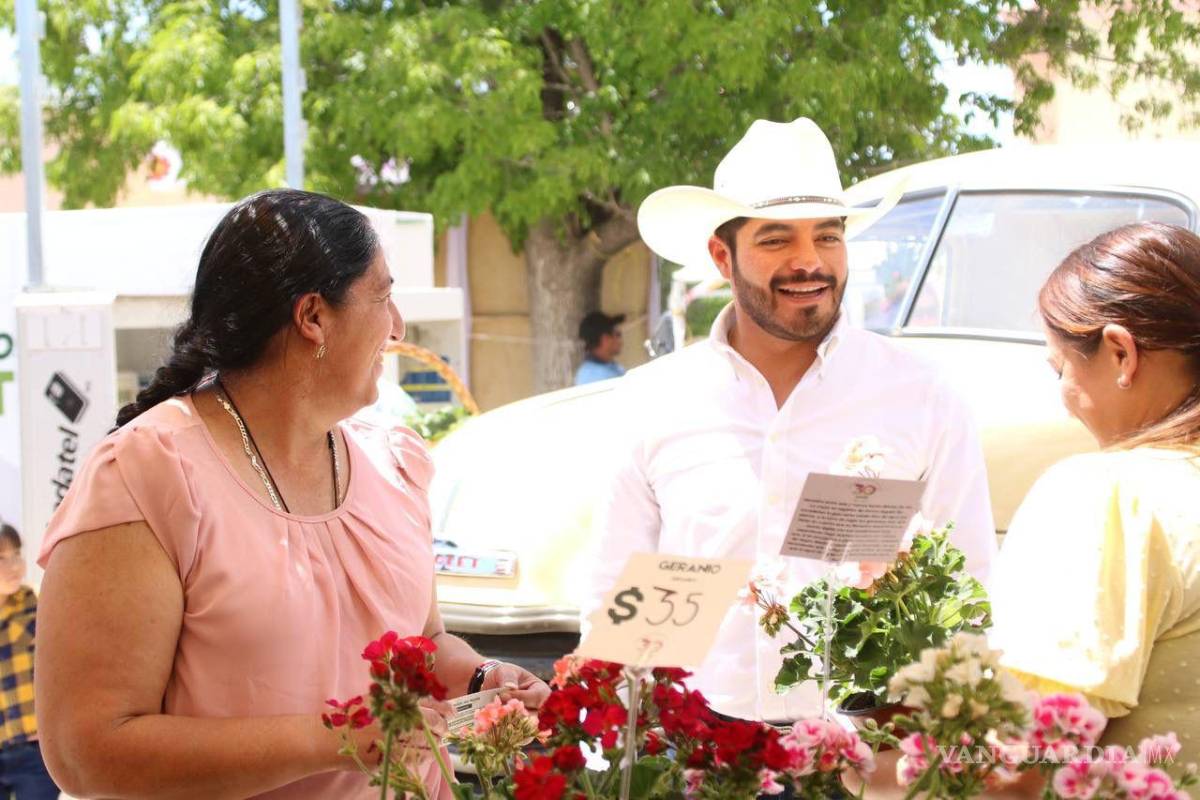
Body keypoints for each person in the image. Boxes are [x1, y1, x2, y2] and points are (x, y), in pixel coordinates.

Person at [33, 189, 549, 800]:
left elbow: (424, 644)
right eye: (382, 297)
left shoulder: (394, 460)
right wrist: (336, 739)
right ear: (313, 317)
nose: (398, 326)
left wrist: (482, 680)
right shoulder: (145, 474)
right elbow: (88, 752)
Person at [582, 117, 997, 725]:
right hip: (697, 753)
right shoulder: (654, 400)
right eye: (777, 240)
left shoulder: (921, 396)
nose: (809, 261)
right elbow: (618, 598)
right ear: (722, 256)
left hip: (865, 752)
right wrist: (629, 747)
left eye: (828, 236)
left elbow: (970, 593)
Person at [988, 222, 1200, 752]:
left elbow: (1026, 757)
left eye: (1060, 368)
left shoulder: (1112, 496)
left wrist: (865, 766)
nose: (1064, 398)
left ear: (1120, 353)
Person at [0, 524, 59, 800]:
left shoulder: (36, 604)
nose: (14, 566)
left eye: (17, 555)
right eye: (2, 558)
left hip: (33, 750)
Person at [574, 311, 626, 384]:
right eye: (618, 335)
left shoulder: (610, 366)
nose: (621, 341)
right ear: (605, 339)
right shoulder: (593, 377)